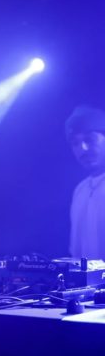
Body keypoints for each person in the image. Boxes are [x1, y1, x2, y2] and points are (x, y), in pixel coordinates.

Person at [65, 106, 105, 259]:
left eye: (90, 139)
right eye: (75, 143)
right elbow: (76, 253)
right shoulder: (80, 190)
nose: (83, 148)